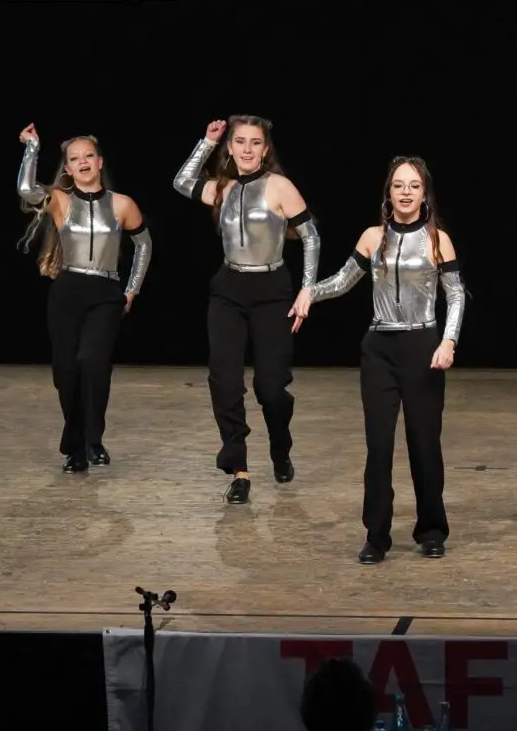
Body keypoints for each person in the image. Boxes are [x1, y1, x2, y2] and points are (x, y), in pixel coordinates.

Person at [295, 156, 465, 564]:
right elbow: (342, 281)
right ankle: (377, 534)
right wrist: (309, 293)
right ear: (388, 193)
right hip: (380, 349)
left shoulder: (438, 239)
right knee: (379, 447)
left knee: (424, 445)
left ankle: (431, 529)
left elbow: (456, 295)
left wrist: (449, 341)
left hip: (423, 348)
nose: (405, 192)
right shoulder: (373, 237)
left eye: (413, 186)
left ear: (424, 194)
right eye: (398, 185)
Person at [172, 116, 320, 504]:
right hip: (228, 289)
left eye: (256, 142)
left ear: (266, 149)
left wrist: (308, 289)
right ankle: (239, 469)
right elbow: (182, 182)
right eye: (240, 142)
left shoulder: (279, 187)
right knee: (224, 381)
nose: (248, 149)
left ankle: (280, 446)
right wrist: (206, 142)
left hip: (272, 290)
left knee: (271, 389)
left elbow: (311, 236)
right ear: (231, 147)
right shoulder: (222, 188)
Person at [16, 123, 153, 473]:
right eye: (75, 159)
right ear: (67, 168)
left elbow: (144, 244)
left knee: (93, 361)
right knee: (66, 370)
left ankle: (94, 441)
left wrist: (132, 289)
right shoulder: (60, 200)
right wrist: (31, 148)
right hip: (67, 291)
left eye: (88, 155)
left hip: (106, 292)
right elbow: (26, 189)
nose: (83, 162)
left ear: (100, 161)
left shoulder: (122, 204)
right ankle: (75, 448)